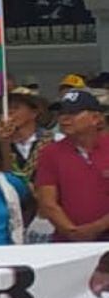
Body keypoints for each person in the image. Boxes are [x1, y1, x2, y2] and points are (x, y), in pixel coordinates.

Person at [34, 89, 109, 242]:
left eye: (73, 113)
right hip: (68, 243)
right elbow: (48, 202)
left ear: (96, 118)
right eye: (61, 113)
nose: (64, 118)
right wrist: (72, 232)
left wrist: (96, 228)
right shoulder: (50, 152)